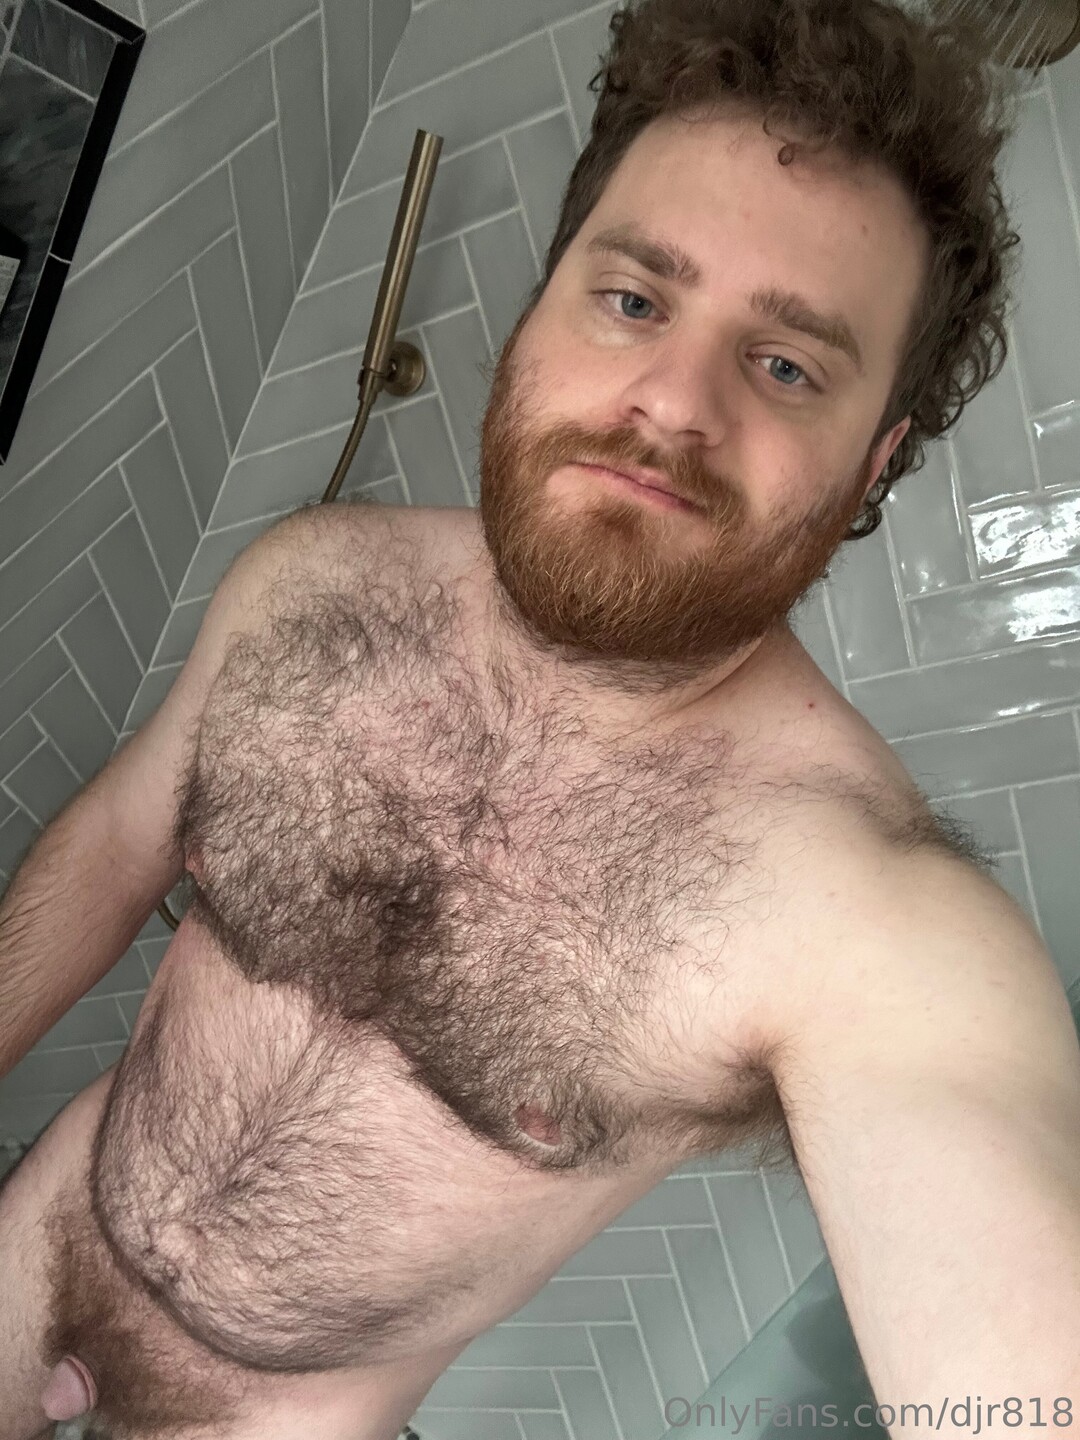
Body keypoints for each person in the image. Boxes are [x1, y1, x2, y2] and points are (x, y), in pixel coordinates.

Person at [1, 0, 1078, 1436]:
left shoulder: (864, 917)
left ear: (874, 461)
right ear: (543, 301)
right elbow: (118, 842)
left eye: (786, 365)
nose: (671, 406)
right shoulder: (310, 583)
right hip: (44, 1238)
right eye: (634, 300)